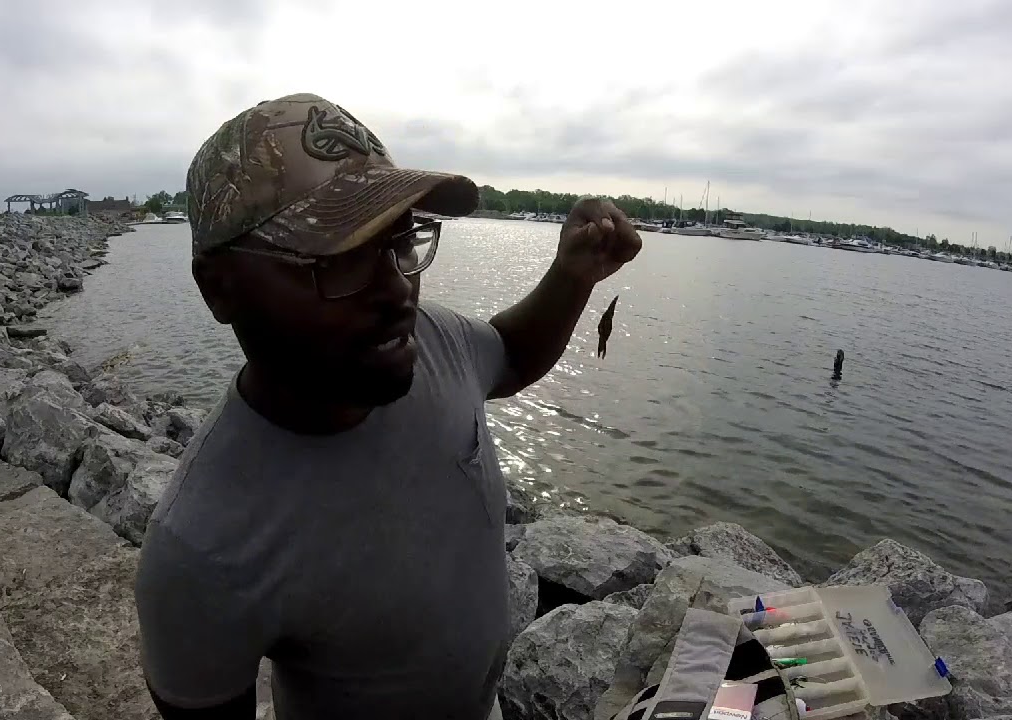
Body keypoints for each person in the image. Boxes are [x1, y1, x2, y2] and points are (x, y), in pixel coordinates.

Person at [135, 92, 642, 720]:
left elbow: (508, 354)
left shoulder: (428, 340)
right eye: (342, 259)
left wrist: (571, 276)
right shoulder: (202, 550)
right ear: (220, 288)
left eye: (401, 243)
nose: (399, 289)